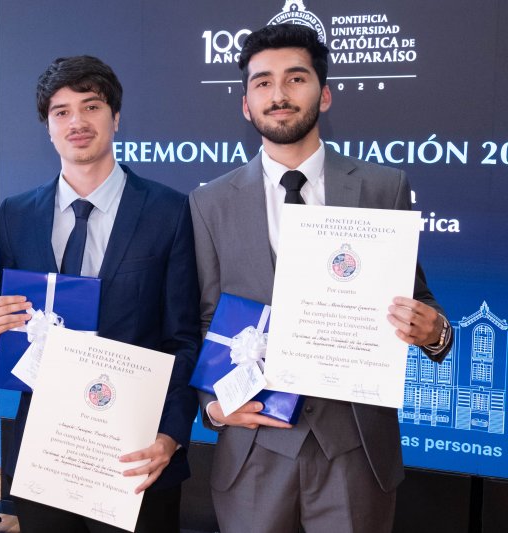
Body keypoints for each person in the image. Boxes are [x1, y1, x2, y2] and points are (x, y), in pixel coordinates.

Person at [189, 24, 453, 533]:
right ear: (246, 105)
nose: (279, 94)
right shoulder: (209, 202)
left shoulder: (383, 187)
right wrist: (214, 408)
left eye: (296, 78)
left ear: (324, 94)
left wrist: (434, 332)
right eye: (263, 83)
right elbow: (203, 318)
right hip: (253, 451)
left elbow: (418, 298)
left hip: (355, 451)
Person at [0, 55, 200, 532]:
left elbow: (184, 337)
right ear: (48, 127)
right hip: (45, 449)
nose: (76, 122)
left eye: (91, 106)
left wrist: (171, 433)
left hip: (137, 451)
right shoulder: (16, 214)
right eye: (61, 112)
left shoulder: (170, 211)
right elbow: (12, 321)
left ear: (115, 117)